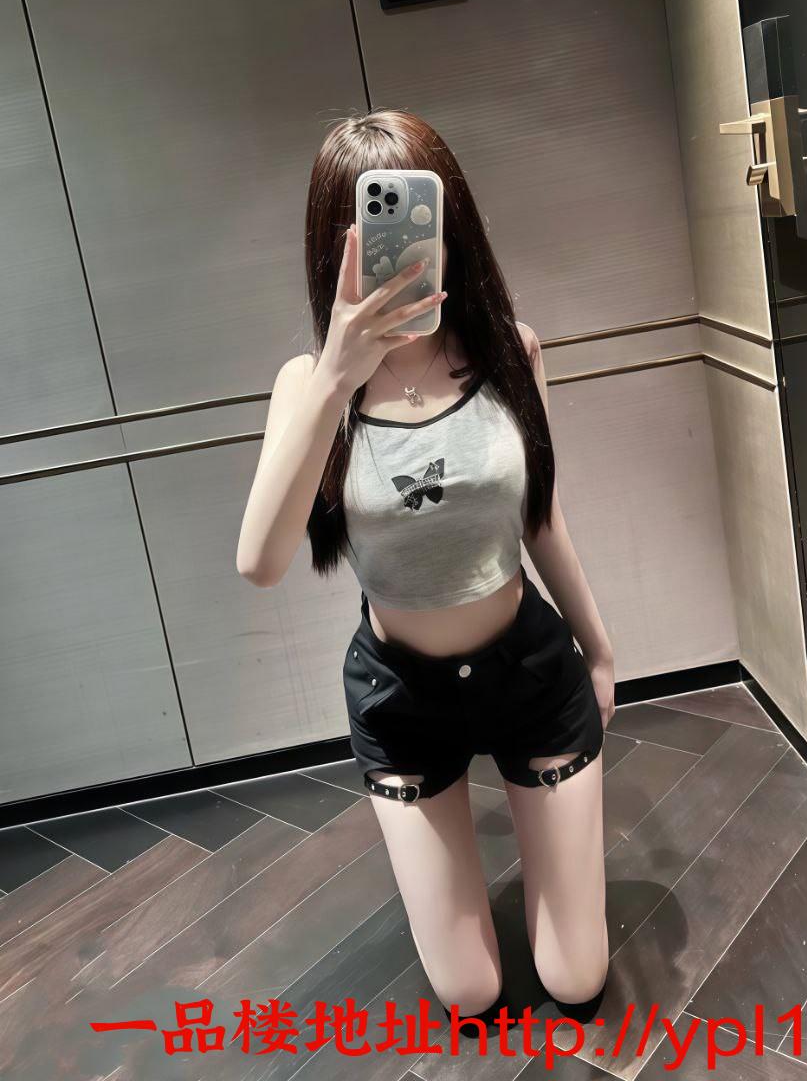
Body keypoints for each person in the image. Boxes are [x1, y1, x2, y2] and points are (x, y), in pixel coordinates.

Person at [236, 109, 616, 1030]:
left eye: (418, 221)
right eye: (371, 232)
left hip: (530, 675)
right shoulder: (307, 388)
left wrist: (599, 651)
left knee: (575, 980)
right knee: (470, 994)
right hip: (403, 701)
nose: (400, 252)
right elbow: (260, 563)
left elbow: (541, 517)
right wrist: (337, 376)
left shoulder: (513, 353)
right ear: (335, 249)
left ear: (452, 227)